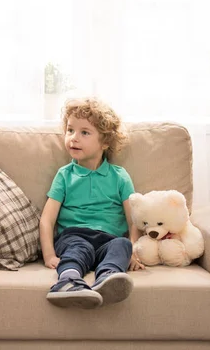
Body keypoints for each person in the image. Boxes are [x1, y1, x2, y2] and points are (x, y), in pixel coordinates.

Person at [40, 97, 145, 309]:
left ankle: (108, 279)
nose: (73, 138)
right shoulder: (64, 175)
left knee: (122, 244)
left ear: (105, 142)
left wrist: (132, 250)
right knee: (77, 248)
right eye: (70, 130)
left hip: (109, 239)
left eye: (84, 132)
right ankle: (68, 281)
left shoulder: (119, 176)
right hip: (74, 235)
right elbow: (47, 220)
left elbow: (133, 220)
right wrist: (49, 254)